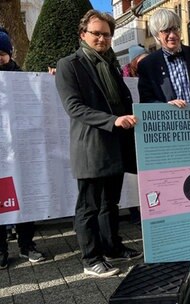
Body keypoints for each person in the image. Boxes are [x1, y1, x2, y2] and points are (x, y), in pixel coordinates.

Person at [55, 10, 143, 277]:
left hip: (116, 146)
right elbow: (74, 107)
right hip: (91, 147)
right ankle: (91, 259)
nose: (103, 39)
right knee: (89, 207)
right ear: (83, 34)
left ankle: (112, 247)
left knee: (110, 204)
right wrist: (112, 121)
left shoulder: (110, 64)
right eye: (97, 33)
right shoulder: (69, 64)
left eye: (107, 34)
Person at [0, 28, 46, 270]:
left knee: (25, 199)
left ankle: (27, 245)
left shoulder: (23, 78)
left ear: (9, 53)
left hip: (21, 150)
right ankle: (1, 250)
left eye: (2, 53)